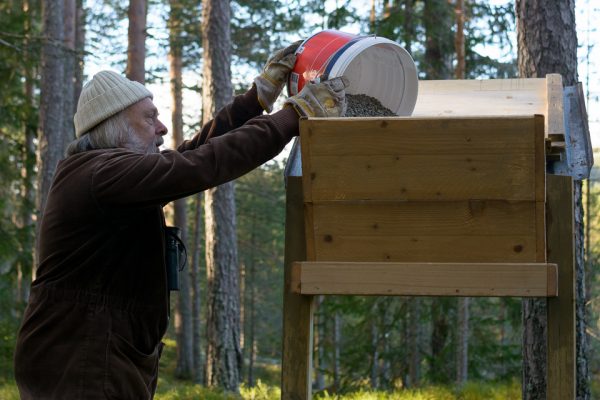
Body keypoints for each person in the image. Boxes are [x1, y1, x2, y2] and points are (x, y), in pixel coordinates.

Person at [13, 42, 348, 399]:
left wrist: (256, 101)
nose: (161, 128)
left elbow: (192, 153)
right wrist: (292, 116)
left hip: (90, 349)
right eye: (148, 117)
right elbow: (200, 165)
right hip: (84, 356)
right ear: (113, 127)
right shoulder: (102, 174)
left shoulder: (100, 173)